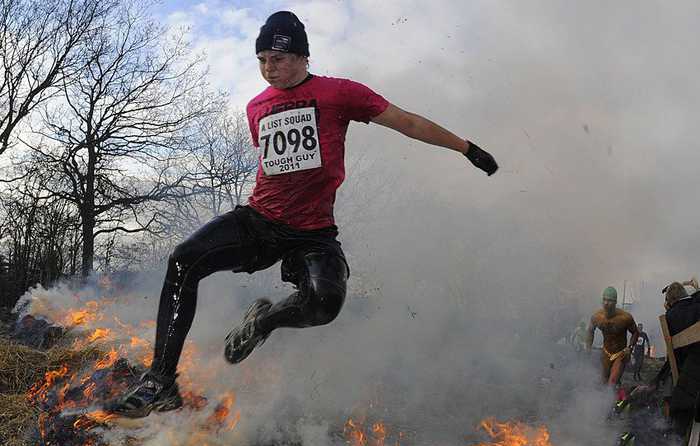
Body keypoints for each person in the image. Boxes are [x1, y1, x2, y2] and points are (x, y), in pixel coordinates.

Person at [111, 11, 499, 417]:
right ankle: (161, 381)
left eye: (276, 59)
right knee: (183, 260)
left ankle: (263, 323)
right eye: (261, 59)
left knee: (324, 304)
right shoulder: (256, 107)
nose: (267, 68)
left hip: (312, 234)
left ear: (301, 56)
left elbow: (407, 122)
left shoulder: (340, 93)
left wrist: (466, 148)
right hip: (259, 222)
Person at [642, 281, 700, 438]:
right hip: (692, 367)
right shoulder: (696, 305)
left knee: (674, 394)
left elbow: (676, 355)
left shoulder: (672, 316)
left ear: (670, 301)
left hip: (689, 372)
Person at [586, 286, 639, 386]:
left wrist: (630, 348)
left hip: (620, 353)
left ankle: (612, 394)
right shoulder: (597, 317)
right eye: (604, 299)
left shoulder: (625, 318)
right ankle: (609, 399)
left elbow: (635, 332)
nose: (606, 303)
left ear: (615, 302)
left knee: (612, 382)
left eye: (609, 300)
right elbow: (590, 331)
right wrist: (588, 347)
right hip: (606, 352)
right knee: (603, 381)